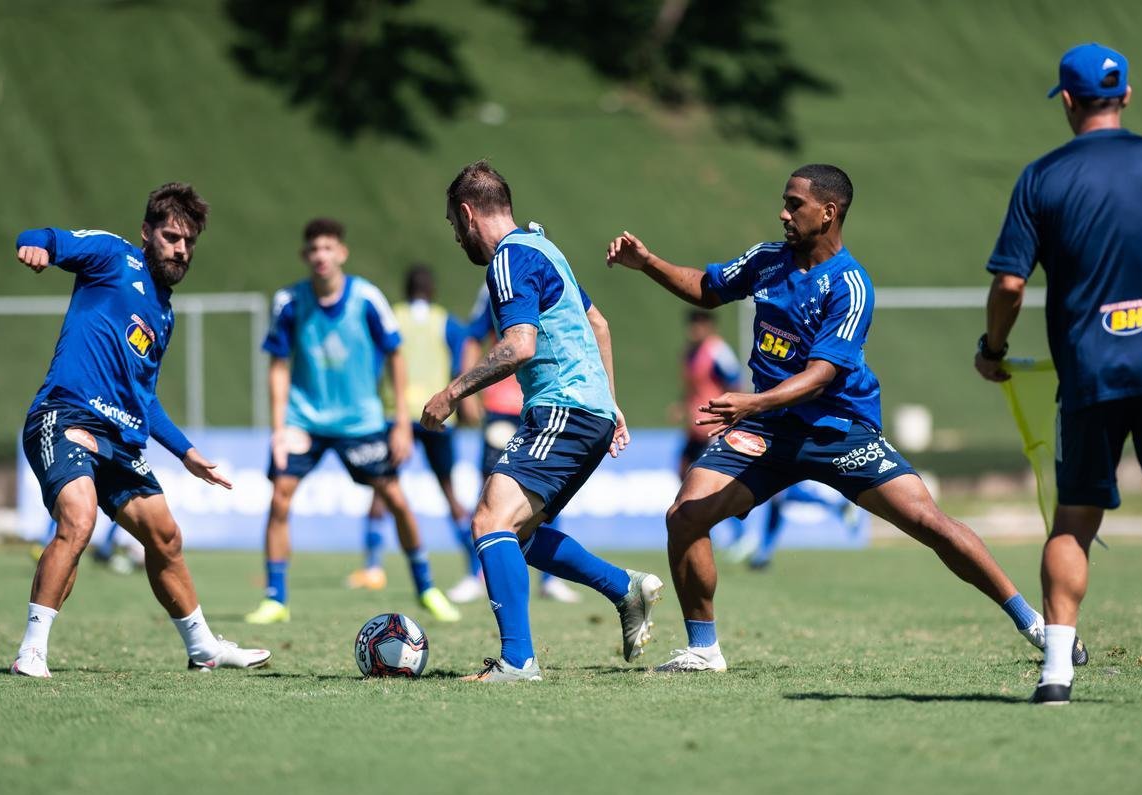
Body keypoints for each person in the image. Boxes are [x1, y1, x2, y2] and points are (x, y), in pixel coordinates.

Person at [605, 163, 1053, 674]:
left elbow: (821, 375)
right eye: (785, 201)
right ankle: (704, 650)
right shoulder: (768, 260)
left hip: (838, 430)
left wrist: (752, 403)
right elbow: (708, 288)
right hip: (770, 429)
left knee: (931, 524)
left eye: (794, 204)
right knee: (685, 517)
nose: (783, 213)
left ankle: (1031, 621)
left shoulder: (850, 285)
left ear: (828, 212)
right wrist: (649, 263)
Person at [13, 183, 269, 677]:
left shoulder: (164, 314)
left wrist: (185, 451)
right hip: (64, 415)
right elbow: (46, 235)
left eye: (189, 242)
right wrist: (35, 245)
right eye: (172, 237)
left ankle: (203, 649)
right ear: (146, 233)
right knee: (79, 518)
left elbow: (143, 398)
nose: (181, 249)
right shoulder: (111, 255)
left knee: (166, 536)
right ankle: (32, 650)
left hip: (120, 438)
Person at [977, 42, 1142, 705]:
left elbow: (1009, 284)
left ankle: (1055, 673)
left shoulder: (1043, 177)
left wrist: (991, 347)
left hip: (1089, 374)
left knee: (1074, 520)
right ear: (1127, 96)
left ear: (1066, 99)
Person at [422, 160, 661, 682]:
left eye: (452, 224)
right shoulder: (545, 246)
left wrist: (451, 393)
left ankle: (517, 661)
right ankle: (624, 587)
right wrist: (611, 401)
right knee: (519, 535)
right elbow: (597, 322)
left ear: (467, 214)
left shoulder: (507, 260)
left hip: (563, 407)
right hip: (588, 410)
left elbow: (519, 345)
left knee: (489, 520)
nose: (456, 237)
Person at [244, 218, 459, 626]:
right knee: (279, 498)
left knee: (396, 499)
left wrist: (399, 423)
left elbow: (396, 355)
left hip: (361, 422)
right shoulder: (289, 302)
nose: (321, 255)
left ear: (341, 252)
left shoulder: (367, 299)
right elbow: (278, 366)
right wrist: (277, 429)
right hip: (303, 421)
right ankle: (276, 599)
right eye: (313, 249)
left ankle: (427, 588)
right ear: (305, 256)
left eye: (328, 247)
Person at [453, 285, 583, 604]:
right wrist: (467, 390)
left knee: (551, 491)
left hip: (545, 404)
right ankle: (476, 574)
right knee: (489, 487)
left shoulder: (560, 287)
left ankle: (550, 580)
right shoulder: (498, 287)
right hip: (501, 405)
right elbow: (473, 337)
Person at [350, 264, 472, 592]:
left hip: (396, 416)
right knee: (449, 492)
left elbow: (375, 363)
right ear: (432, 292)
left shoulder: (394, 317)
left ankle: (373, 567)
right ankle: (475, 570)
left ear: (406, 289)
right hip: (439, 415)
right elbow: (462, 365)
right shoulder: (446, 322)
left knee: (383, 488)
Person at [677, 309, 750, 559]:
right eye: (691, 324)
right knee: (683, 471)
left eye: (698, 324)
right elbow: (692, 387)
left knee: (712, 481)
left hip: (713, 426)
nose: (694, 329)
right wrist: (681, 405)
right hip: (695, 427)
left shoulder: (718, 351)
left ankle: (741, 534)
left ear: (708, 326)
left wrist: (730, 414)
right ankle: (704, 526)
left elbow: (735, 382)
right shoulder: (689, 353)